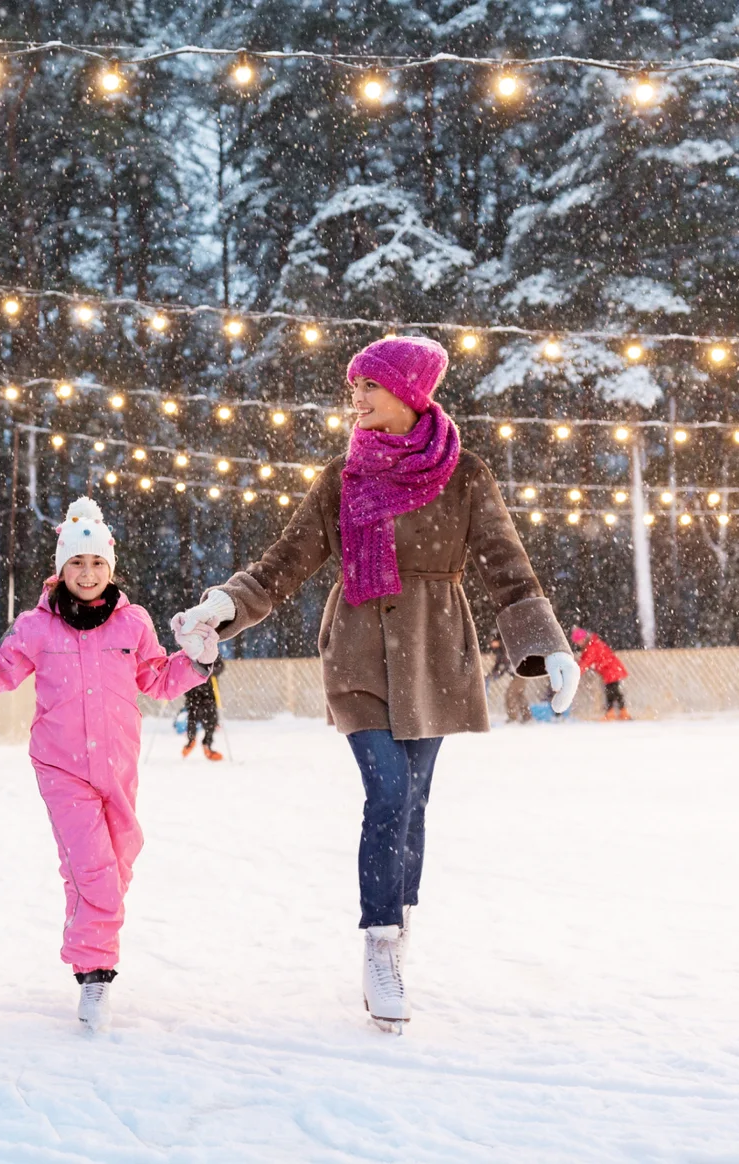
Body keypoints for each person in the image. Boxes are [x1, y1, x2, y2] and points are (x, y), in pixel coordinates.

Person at [167, 335, 579, 1033]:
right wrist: (227, 604)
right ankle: (380, 944)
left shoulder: (465, 474)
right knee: (387, 792)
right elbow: (284, 563)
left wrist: (547, 648)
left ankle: (400, 912)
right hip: (358, 653)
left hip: (437, 653)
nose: (356, 401)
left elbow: (507, 567)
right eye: (353, 388)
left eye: (370, 388)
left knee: (414, 801)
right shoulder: (342, 478)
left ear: (410, 394)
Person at [0, 498, 213, 1032]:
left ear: (109, 568)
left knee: (114, 864)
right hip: (61, 768)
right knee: (97, 873)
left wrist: (197, 662)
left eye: (96, 564)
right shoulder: (37, 628)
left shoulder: (132, 623)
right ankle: (95, 974)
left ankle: (89, 934)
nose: (87, 574)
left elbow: (157, 679)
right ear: (60, 569)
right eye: (76, 564)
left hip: (118, 768)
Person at [568, 627, 631, 720]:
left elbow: (585, 662)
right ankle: (620, 713)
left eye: (578, 641)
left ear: (583, 639)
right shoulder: (592, 644)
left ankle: (614, 713)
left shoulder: (591, 647)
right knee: (614, 692)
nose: (577, 644)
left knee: (612, 692)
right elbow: (585, 661)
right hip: (611, 669)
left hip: (611, 670)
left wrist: (574, 674)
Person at [181, 656, 225, 760]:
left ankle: (207, 746)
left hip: (208, 694)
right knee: (192, 718)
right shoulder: (190, 650)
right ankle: (191, 741)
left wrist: (211, 670)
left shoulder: (211, 651)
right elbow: (182, 666)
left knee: (211, 722)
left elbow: (220, 666)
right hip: (193, 693)